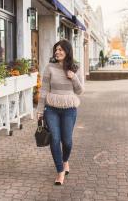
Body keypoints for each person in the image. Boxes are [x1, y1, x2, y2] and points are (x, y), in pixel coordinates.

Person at [37, 39, 84, 185]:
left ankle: (65, 161)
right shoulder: (50, 67)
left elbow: (80, 91)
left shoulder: (76, 67)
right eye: (56, 50)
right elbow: (44, 90)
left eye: (60, 49)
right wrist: (39, 110)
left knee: (67, 142)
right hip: (52, 109)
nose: (57, 52)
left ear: (67, 51)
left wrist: (73, 77)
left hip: (69, 110)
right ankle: (60, 171)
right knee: (55, 140)